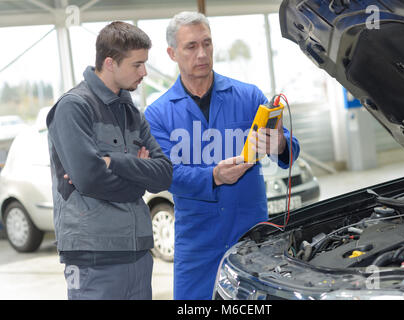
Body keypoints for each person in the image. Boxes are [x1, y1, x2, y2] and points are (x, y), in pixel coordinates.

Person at [144, 11, 300, 300]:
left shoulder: (248, 97)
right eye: (191, 46)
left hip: (251, 237)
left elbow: (290, 149)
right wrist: (212, 176)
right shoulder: (158, 114)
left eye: (207, 43)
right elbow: (166, 174)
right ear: (172, 53)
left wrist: (279, 144)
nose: (202, 53)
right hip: (197, 244)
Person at [46, 21, 173, 300]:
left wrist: (114, 162)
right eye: (137, 65)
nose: (144, 72)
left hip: (138, 252)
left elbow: (164, 173)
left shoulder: (132, 113)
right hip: (94, 256)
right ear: (110, 63)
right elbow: (90, 178)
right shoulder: (73, 107)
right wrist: (140, 181)